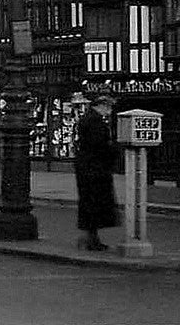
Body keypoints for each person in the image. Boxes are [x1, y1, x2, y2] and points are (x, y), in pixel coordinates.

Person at [74, 94, 120, 251]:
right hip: (95, 168)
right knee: (95, 202)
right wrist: (114, 151)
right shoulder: (95, 122)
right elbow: (100, 145)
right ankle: (91, 240)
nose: (110, 110)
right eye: (109, 107)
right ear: (102, 105)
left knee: (89, 202)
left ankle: (91, 237)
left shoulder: (88, 119)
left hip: (87, 166)